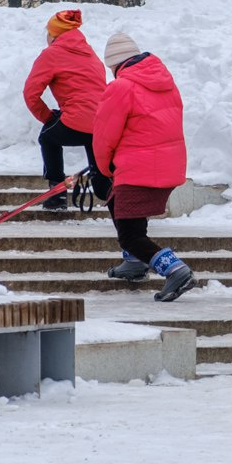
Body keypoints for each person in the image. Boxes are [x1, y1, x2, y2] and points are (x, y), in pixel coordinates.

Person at [93, 30, 197, 302]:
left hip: (138, 168)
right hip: (165, 165)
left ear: (115, 64)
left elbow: (104, 136)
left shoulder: (121, 86)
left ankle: (175, 269)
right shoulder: (166, 82)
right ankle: (135, 263)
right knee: (120, 206)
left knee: (130, 235)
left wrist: (103, 170)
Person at [22, 9, 109, 210]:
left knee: (48, 136)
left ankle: (57, 193)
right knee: (93, 141)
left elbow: (30, 93)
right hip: (102, 123)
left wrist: (47, 117)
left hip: (76, 121)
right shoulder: (91, 54)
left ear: (54, 34)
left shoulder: (51, 54)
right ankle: (107, 191)